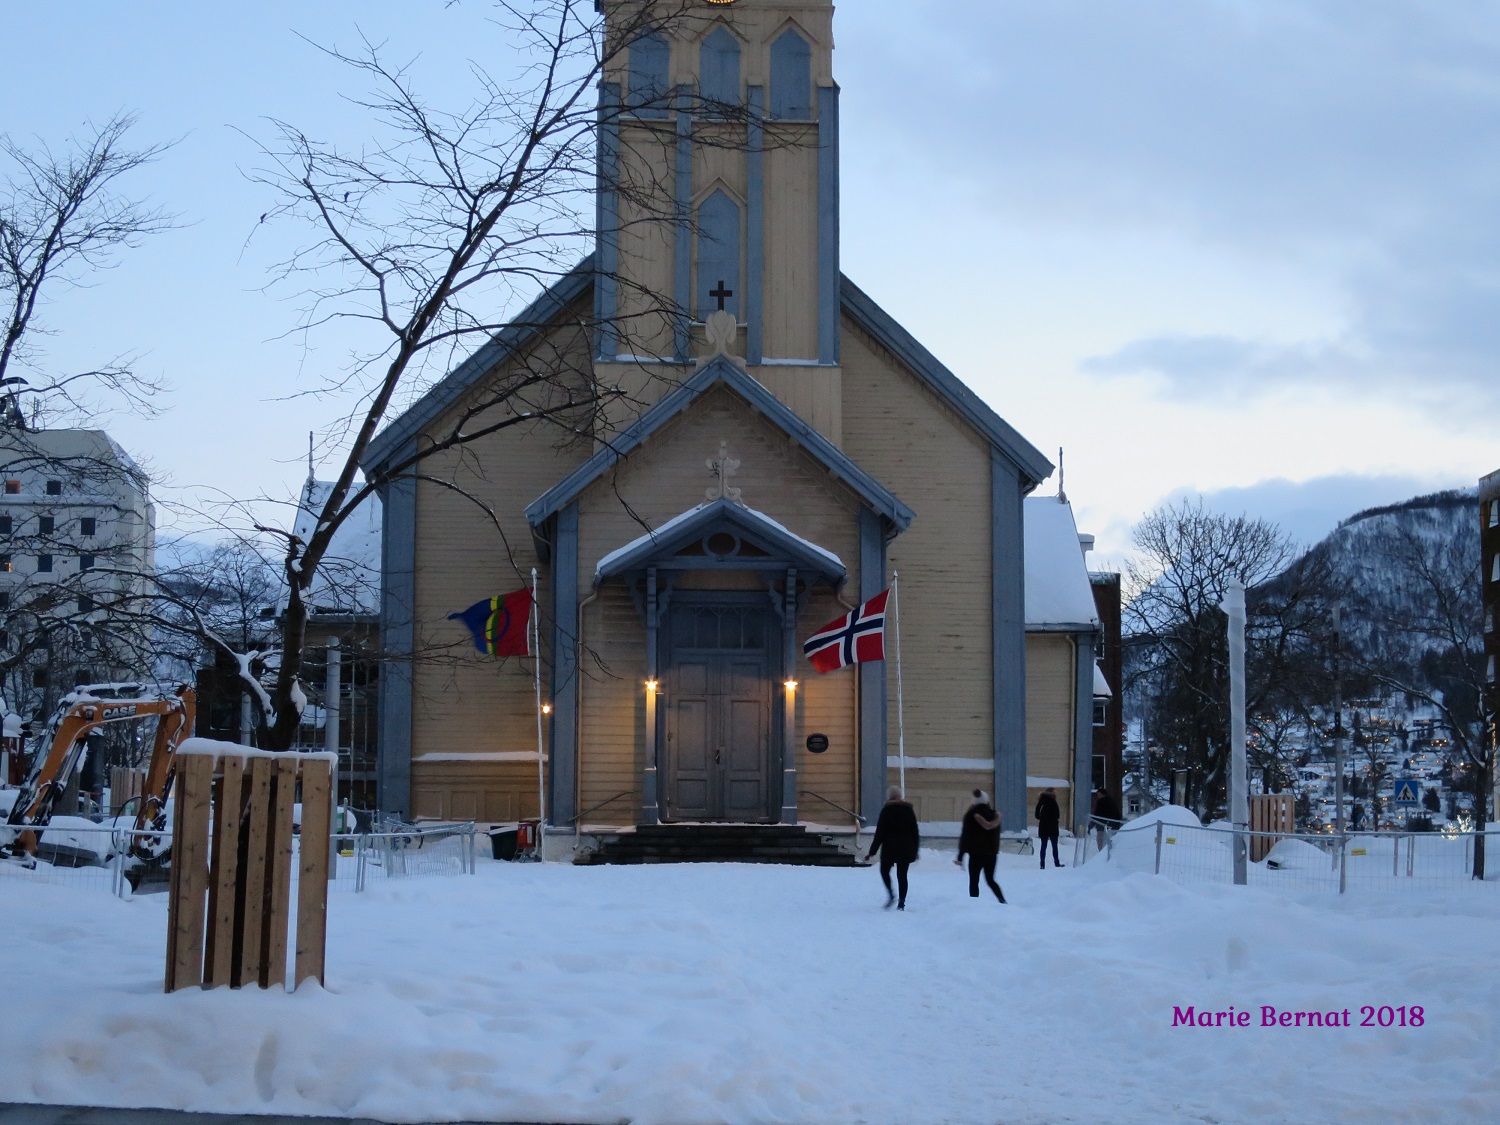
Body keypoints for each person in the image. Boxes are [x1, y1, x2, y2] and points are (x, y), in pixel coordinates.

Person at [866, 785, 920, 910]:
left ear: (889, 796)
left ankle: (891, 894)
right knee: (902, 875)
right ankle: (901, 902)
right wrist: (915, 849)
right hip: (906, 848)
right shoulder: (908, 810)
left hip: (890, 848)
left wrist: (872, 852)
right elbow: (915, 832)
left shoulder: (886, 810)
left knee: (884, 871)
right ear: (900, 796)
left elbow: (879, 833)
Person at [955, 789, 1006, 903]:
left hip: (976, 854)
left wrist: (960, 856)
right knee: (990, 880)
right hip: (991, 854)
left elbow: (965, 837)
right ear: (986, 800)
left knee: (974, 881)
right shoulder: (995, 815)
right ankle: (1002, 900)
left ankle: (974, 905)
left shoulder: (970, 816)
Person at [1034, 786, 1063, 869]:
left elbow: (1037, 813)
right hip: (1053, 827)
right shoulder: (1053, 801)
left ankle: (1042, 864)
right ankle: (1056, 863)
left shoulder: (1041, 801)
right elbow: (1057, 815)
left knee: (1043, 846)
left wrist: (1042, 819)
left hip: (1043, 826)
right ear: (1052, 793)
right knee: (1054, 846)